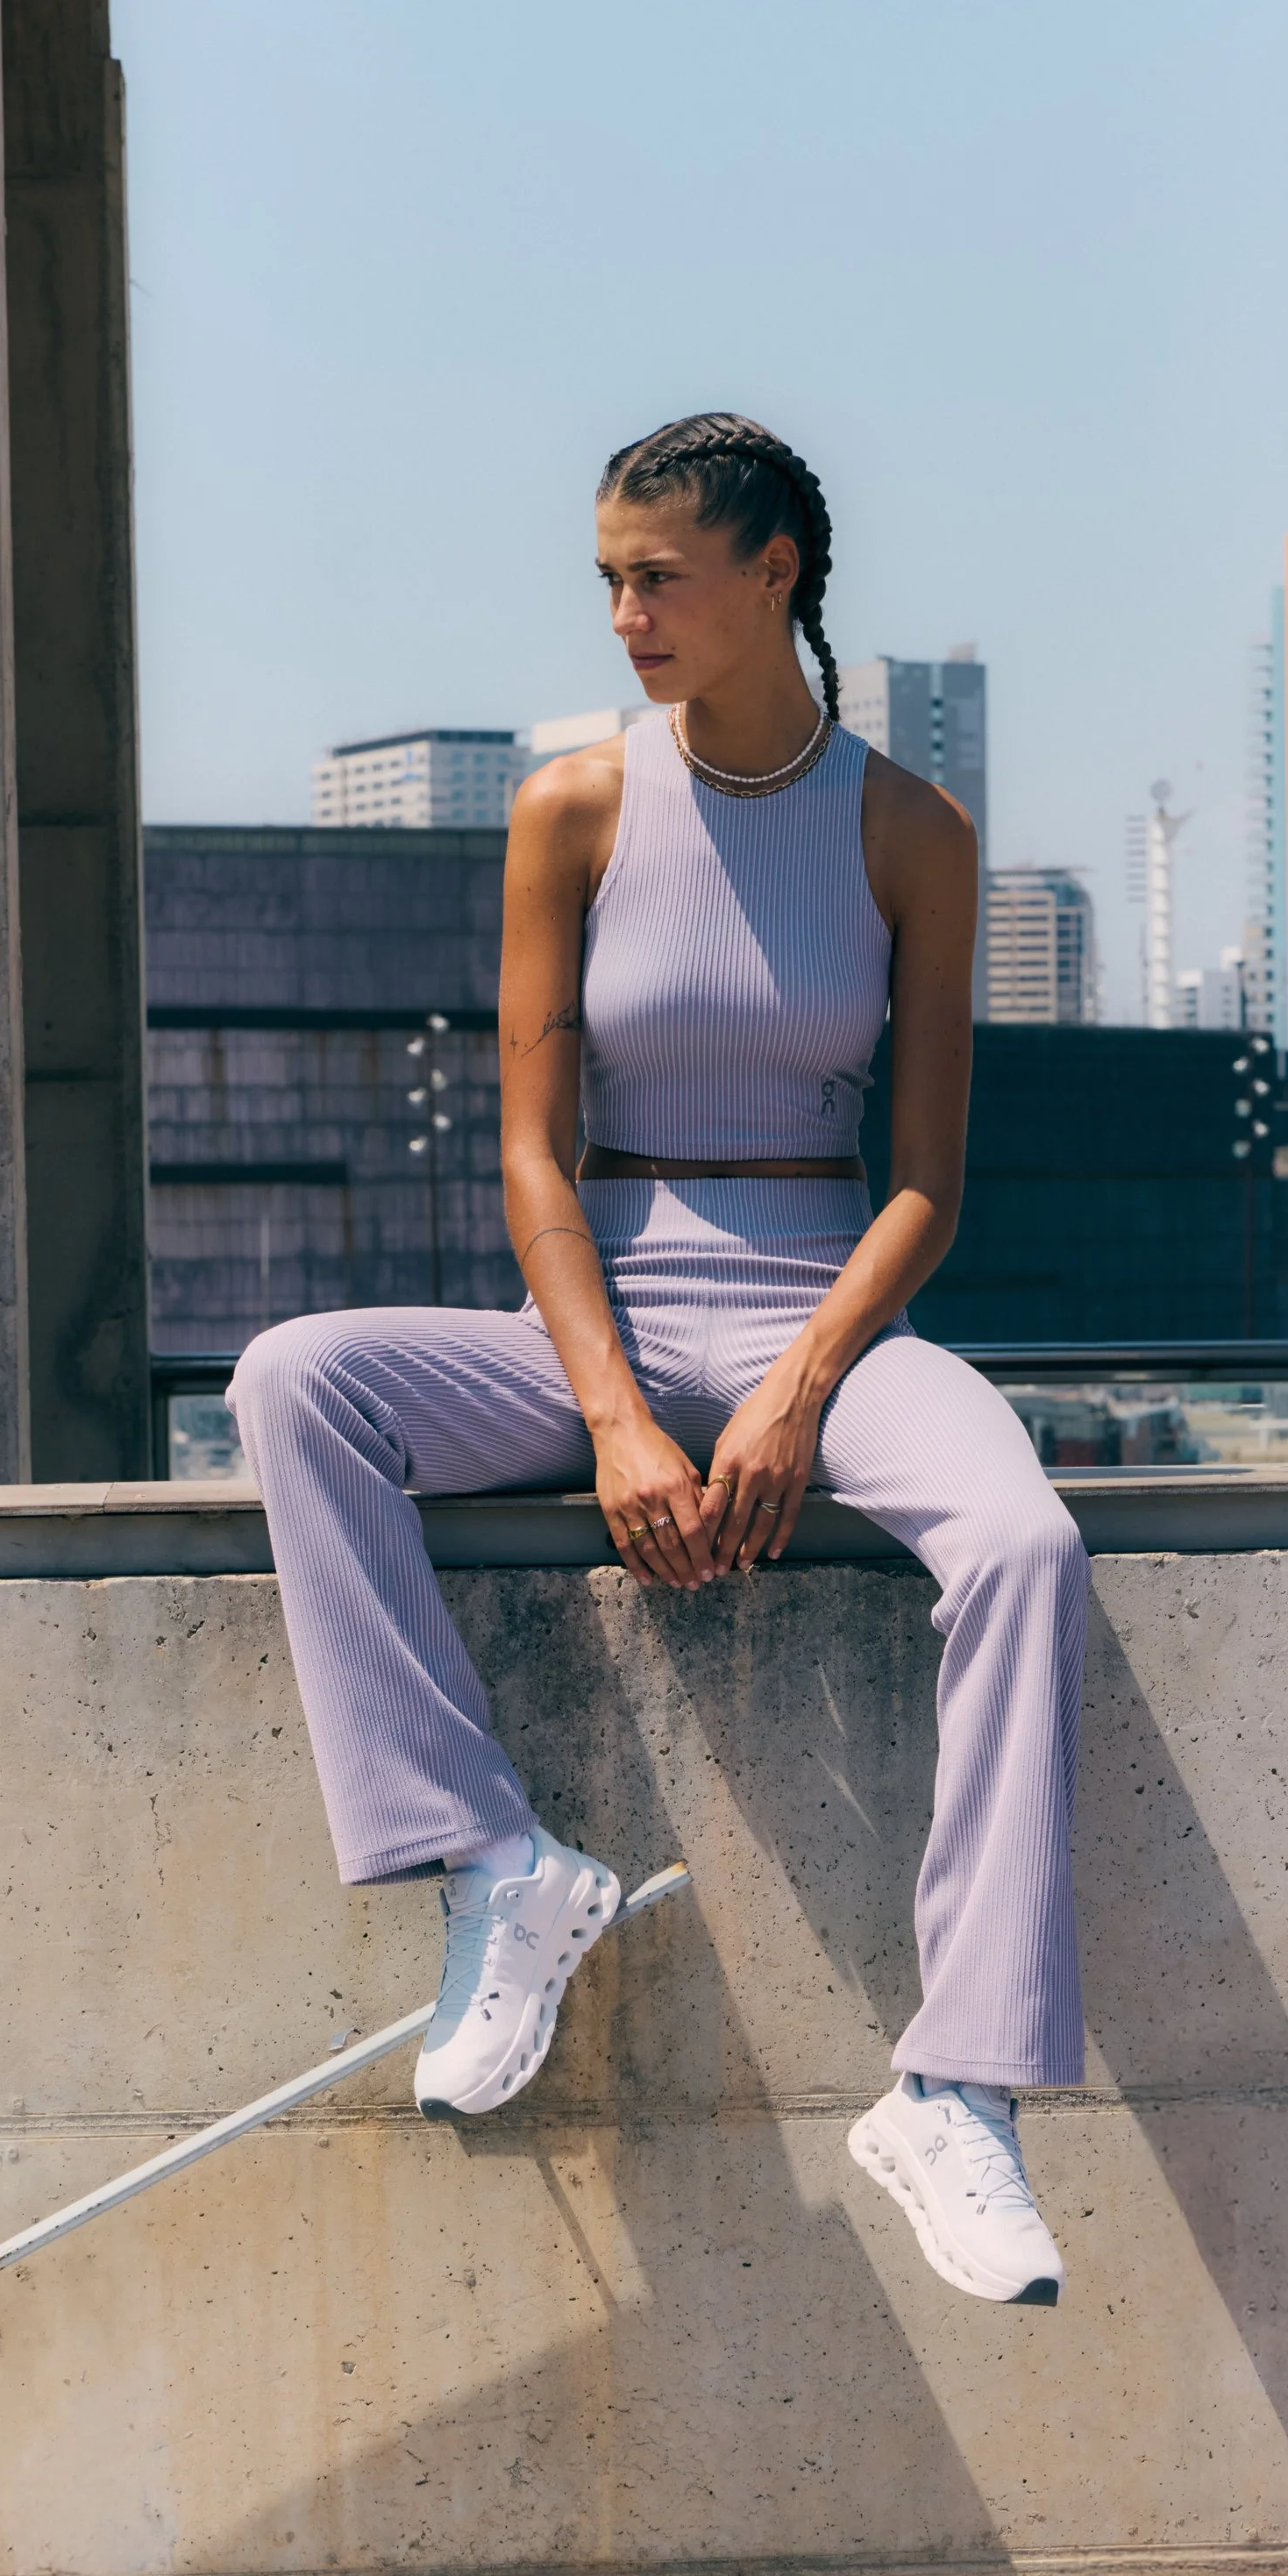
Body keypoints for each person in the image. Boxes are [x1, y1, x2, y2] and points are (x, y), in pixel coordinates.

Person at [230, 412, 1089, 2307]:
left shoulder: (910, 832)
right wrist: (614, 1412)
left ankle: (956, 2084)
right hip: (597, 1306)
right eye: (606, 578)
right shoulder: (573, 807)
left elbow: (926, 1182)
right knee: (297, 1378)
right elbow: (533, 1152)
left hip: (824, 1306)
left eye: (656, 575)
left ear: (771, 570)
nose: (622, 610)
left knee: (1024, 1545)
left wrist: (795, 1386)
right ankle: (491, 1860)